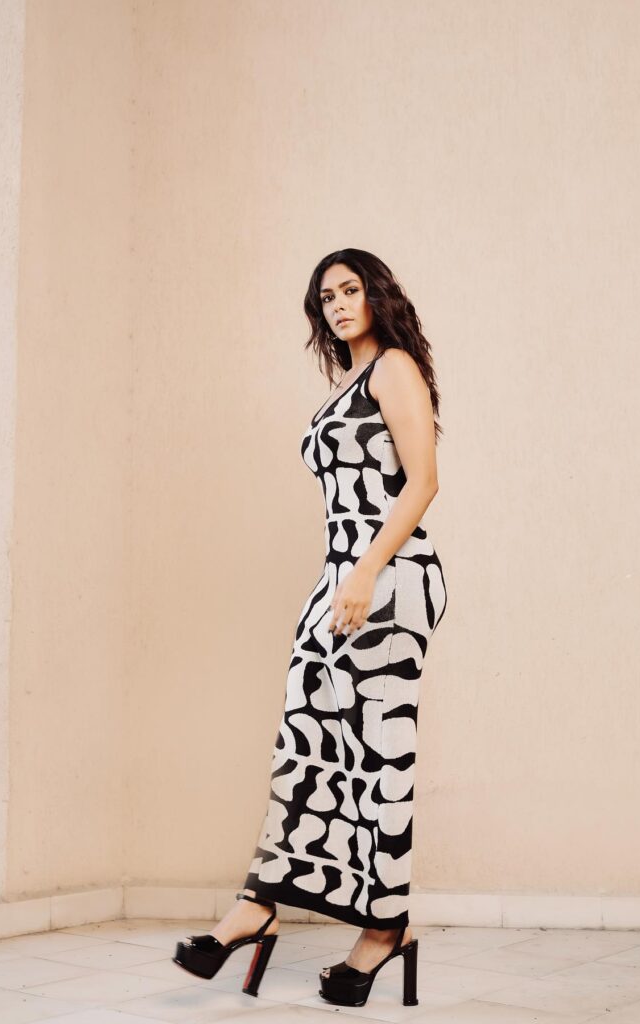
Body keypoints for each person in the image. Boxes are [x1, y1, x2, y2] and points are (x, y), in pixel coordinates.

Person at [174, 248, 448, 1008]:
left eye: (349, 289)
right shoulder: (350, 381)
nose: (336, 303)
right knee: (309, 743)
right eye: (324, 295)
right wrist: (339, 578)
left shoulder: (393, 368)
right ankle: (258, 904)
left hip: (389, 577)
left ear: (376, 294)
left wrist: (363, 572)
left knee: (377, 756)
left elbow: (422, 482)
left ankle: (382, 932)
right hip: (343, 577)